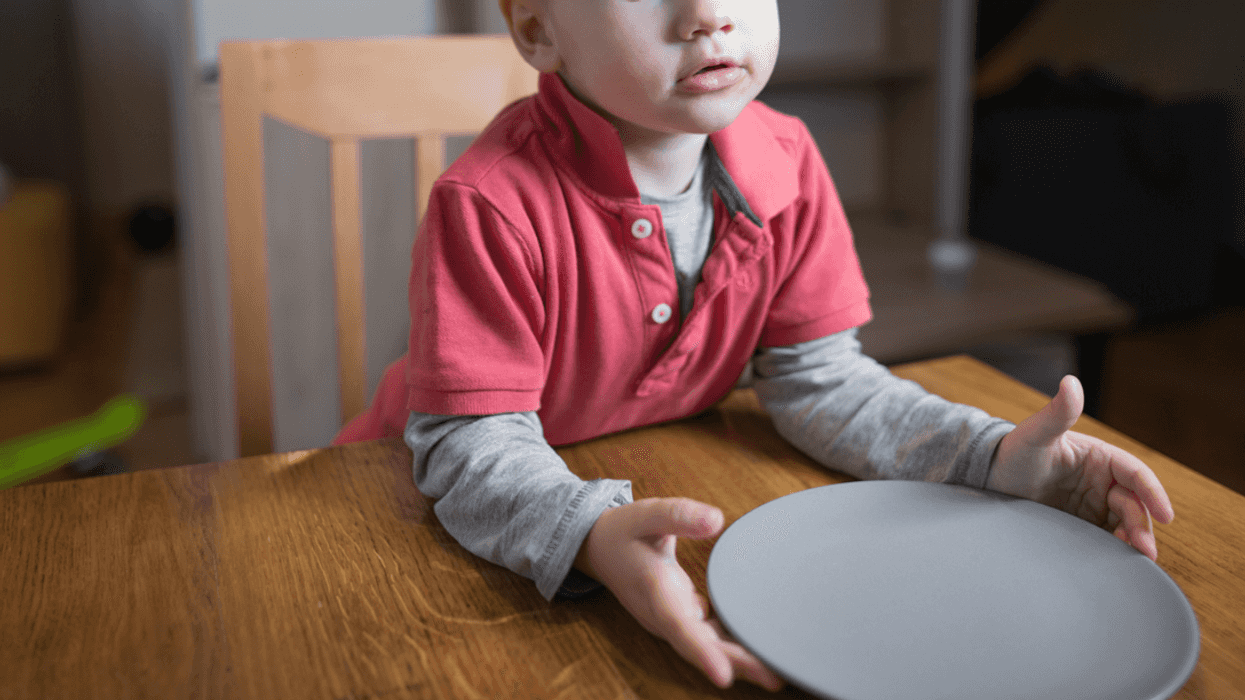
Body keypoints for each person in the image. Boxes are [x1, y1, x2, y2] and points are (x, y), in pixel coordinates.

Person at [335, 0, 1174, 691]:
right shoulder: (488, 203)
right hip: (418, 508)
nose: (707, 16)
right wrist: (586, 530)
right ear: (535, 30)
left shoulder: (787, 161)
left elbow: (820, 383)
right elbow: (467, 442)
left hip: (655, 466)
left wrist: (989, 456)